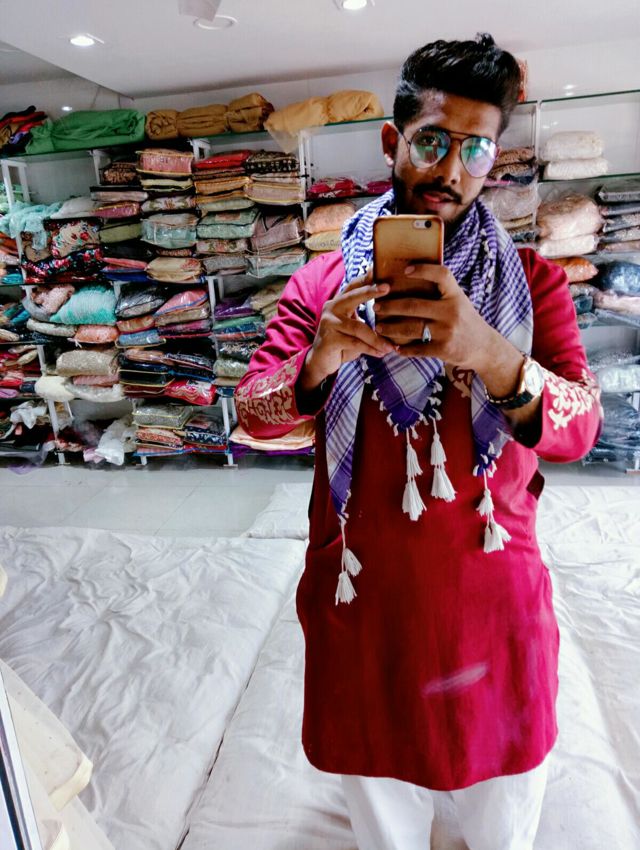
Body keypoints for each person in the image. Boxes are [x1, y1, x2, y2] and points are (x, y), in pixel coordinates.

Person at [235, 33, 602, 850]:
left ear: (494, 158)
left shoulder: (533, 283)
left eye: (477, 148)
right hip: (362, 597)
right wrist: (321, 355)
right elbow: (254, 417)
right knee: (383, 818)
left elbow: (580, 428)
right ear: (392, 141)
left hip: (491, 597)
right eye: (434, 141)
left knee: (501, 813)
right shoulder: (321, 285)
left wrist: (491, 353)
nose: (452, 169)